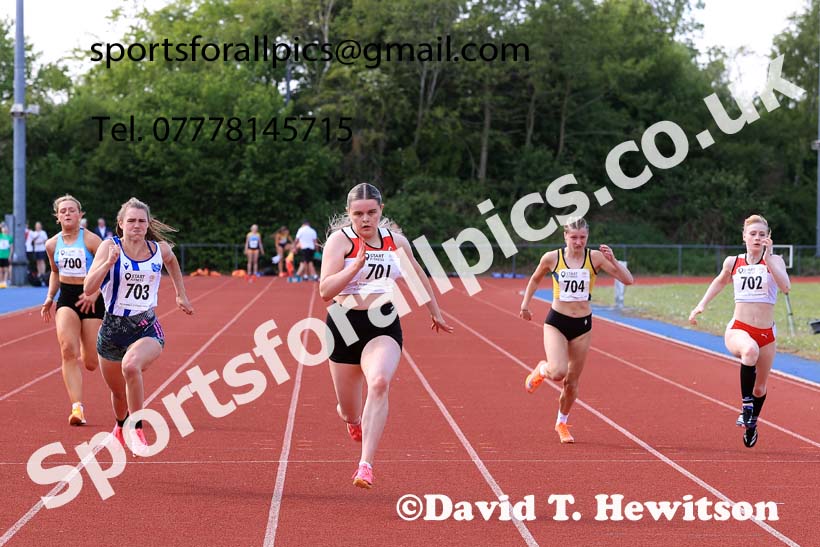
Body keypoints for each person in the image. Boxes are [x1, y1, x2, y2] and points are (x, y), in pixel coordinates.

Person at [320, 183, 453, 489]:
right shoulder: (339, 243)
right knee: (349, 409)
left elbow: (418, 275)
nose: (365, 220)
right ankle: (352, 421)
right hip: (343, 324)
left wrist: (435, 311)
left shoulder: (397, 242)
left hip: (383, 324)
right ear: (348, 214)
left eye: (371, 213)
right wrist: (354, 267)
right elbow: (325, 291)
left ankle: (365, 465)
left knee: (379, 382)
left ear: (381, 210)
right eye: (358, 214)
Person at [84, 197, 194, 455]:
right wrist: (108, 264)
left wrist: (181, 294)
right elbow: (89, 288)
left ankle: (137, 427)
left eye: (141, 221)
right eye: (131, 220)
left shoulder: (160, 249)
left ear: (148, 224)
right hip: (111, 332)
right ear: (121, 224)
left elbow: (172, 262)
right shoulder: (109, 247)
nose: (136, 225)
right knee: (119, 394)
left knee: (131, 366)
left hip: (146, 327)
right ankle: (120, 426)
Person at [519, 218, 633, 444]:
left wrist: (614, 261)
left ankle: (561, 422)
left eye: (582, 237)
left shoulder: (595, 258)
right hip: (557, 322)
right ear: (565, 237)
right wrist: (525, 305)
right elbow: (534, 279)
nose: (578, 242)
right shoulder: (552, 258)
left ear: (587, 237)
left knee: (571, 383)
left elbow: (627, 280)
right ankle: (542, 370)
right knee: (558, 371)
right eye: (574, 237)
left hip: (582, 326)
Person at [688, 214, 790, 448]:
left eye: (762, 234)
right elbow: (720, 281)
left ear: (768, 238)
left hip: (767, 334)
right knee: (749, 352)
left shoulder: (775, 261)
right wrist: (701, 305)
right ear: (744, 237)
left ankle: (752, 423)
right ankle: (746, 407)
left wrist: (770, 258)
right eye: (752, 234)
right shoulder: (733, 262)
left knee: (760, 387)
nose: (757, 238)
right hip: (739, 329)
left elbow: (786, 287)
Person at [40, 195, 105, 425]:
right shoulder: (51, 244)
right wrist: (50, 297)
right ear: (57, 217)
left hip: (92, 300)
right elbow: (55, 272)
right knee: (67, 348)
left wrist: (95, 293)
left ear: (80, 215)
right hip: (67, 298)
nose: (67, 214)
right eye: (63, 211)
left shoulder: (92, 241)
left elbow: (109, 269)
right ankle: (77, 408)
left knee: (90, 361)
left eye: (72, 210)